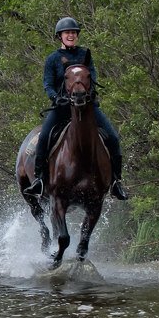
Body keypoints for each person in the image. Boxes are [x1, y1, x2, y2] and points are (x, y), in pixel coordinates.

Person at [23, 17, 129, 200]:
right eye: (67, 33)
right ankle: (39, 180)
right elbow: (48, 84)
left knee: (112, 137)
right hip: (62, 107)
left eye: (73, 32)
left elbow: (92, 78)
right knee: (44, 137)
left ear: (77, 35)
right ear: (60, 36)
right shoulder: (53, 59)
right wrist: (56, 98)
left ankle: (116, 182)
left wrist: (89, 95)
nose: (71, 35)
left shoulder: (85, 55)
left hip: (86, 107)